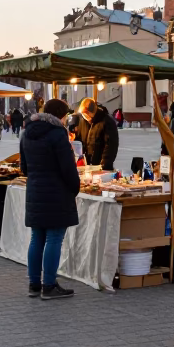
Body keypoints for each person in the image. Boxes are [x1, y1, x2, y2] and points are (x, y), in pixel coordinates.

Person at [20, 98, 81, 300]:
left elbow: (24, 167)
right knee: (54, 238)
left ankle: (34, 284)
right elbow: (68, 168)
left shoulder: (27, 132)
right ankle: (49, 285)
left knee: (37, 238)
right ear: (60, 115)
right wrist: (74, 187)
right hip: (57, 192)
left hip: (35, 191)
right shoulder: (57, 134)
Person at [73, 97, 119, 170]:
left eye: (85, 114)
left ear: (90, 113)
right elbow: (79, 139)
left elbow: (111, 145)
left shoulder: (107, 121)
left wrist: (104, 164)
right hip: (86, 163)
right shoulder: (83, 121)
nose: (83, 116)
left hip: (100, 165)